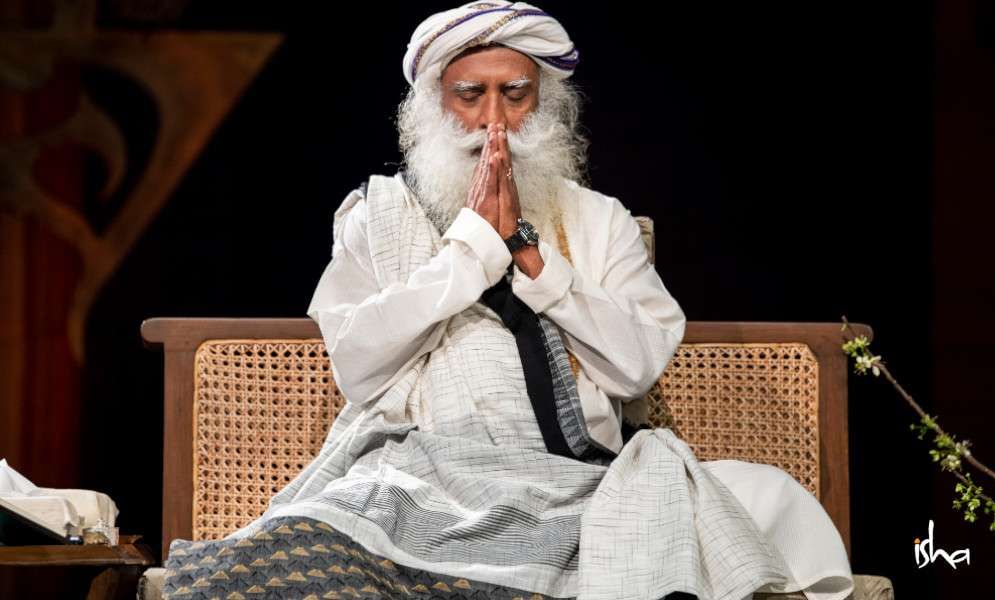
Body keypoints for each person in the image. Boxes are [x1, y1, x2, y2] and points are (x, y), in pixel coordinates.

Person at [163, 3, 855, 599]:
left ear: (544, 105)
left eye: (515, 95)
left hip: (575, 488)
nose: (492, 122)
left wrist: (530, 255)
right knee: (288, 560)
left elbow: (637, 365)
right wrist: (470, 252)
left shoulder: (599, 220)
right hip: (418, 482)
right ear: (432, 104)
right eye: (470, 95)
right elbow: (359, 366)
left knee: (743, 507)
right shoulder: (378, 217)